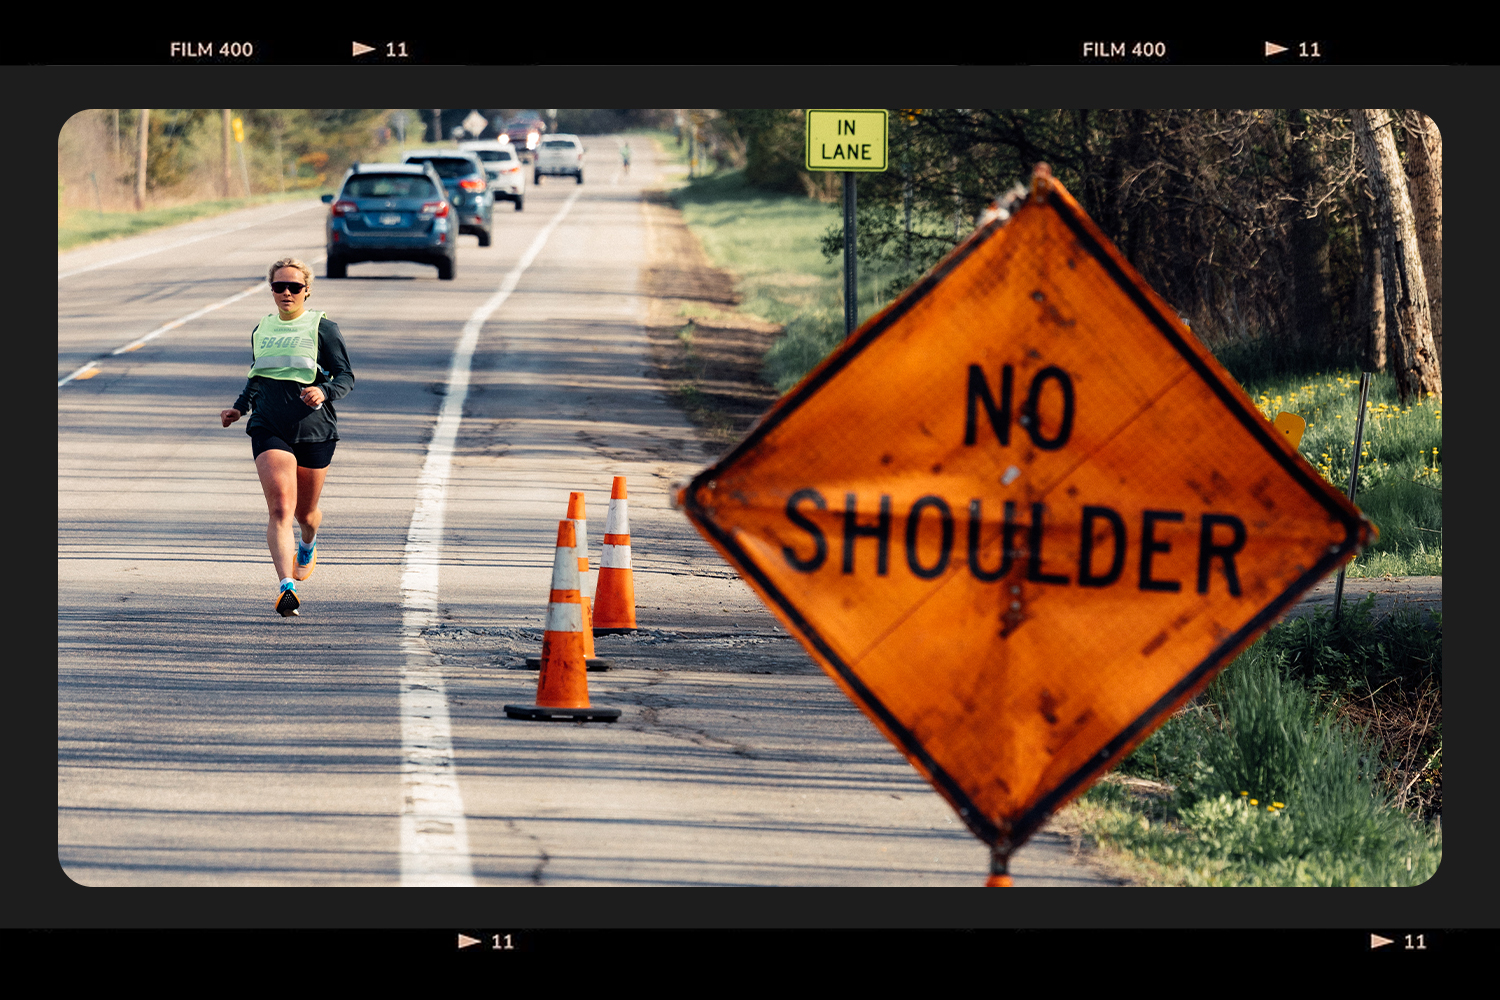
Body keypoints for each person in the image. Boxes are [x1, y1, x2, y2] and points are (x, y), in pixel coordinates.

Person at [221, 258, 355, 617]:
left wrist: (324, 391)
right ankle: (286, 588)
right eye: (279, 287)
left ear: (306, 290)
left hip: (314, 429)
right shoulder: (261, 329)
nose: (286, 293)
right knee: (280, 506)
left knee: (305, 513)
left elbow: (345, 376)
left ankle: (308, 542)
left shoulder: (323, 328)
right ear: (272, 290)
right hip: (269, 426)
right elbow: (257, 377)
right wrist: (239, 408)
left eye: (294, 287)